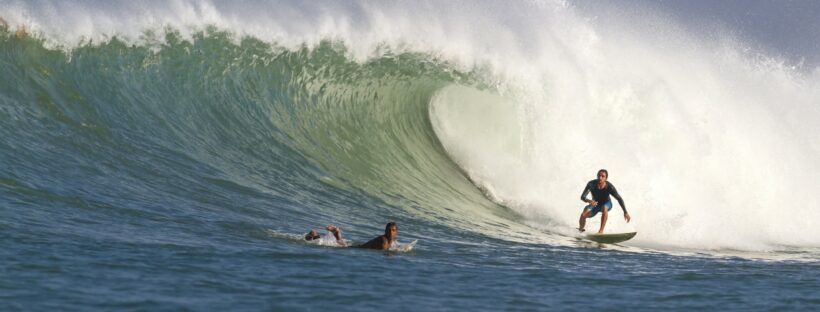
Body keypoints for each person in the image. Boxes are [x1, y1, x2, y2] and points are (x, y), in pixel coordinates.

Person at [578, 169, 630, 234]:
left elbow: (619, 198)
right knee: (584, 214)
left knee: (604, 207)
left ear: (606, 178)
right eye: (599, 176)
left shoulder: (610, 187)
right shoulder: (591, 184)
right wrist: (589, 201)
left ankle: (601, 231)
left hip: (607, 203)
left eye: (603, 176)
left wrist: (625, 212)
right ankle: (580, 230)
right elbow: (583, 197)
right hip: (595, 204)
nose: (600, 178)